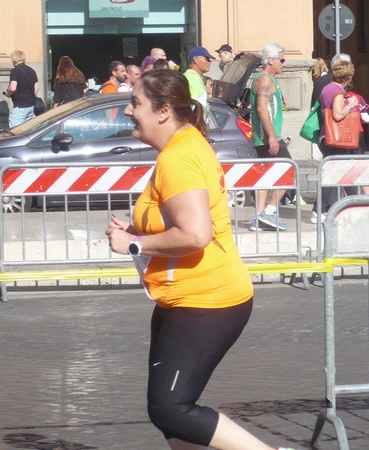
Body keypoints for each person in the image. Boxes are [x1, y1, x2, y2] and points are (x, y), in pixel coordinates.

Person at [105, 69, 290, 450]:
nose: (127, 111)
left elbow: (195, 234)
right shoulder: (185, 144)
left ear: (162, 111)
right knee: (168, 410)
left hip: (207, 301)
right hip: (185, 298)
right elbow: (182, 220)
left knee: (171, 409)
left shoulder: (179, 157)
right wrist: (139, 232)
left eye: (135, 103)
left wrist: (134, 245)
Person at [249, 43, 292, 231]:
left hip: (262, 137)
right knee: (290, 172)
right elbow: (261, 108)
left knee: (265, 176)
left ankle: (259, 217)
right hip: (268, 137)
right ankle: (270, 211)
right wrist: (272, 137)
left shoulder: (263, 79)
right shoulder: (265, 80)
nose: (284, 63)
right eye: (281, 60)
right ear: (271, 61)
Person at [312, 60, 359, 224]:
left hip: (328, 137)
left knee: (339, 172)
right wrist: (351, 105)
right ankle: (319, 209)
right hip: (337, 139)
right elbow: (338, 115)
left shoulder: (327, 88)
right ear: (348, 77)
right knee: (338, 173)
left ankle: (353, 204)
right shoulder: (338, 92)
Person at [4, 49, 39, 128]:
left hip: (20, 107)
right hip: (30, 106)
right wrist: (32, 96)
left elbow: (12, 88)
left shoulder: (15, 71)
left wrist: (7, 94)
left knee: (15, 131)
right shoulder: (32, 70)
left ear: (14, 59)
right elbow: (36, 86)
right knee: (27, 130)